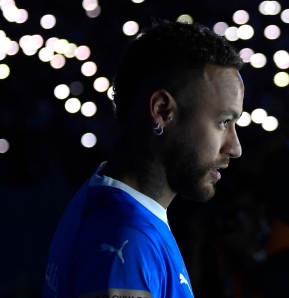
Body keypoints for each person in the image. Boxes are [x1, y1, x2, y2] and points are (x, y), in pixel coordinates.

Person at [42, 20, 244, 298]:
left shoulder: (114, 210)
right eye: (223, 122)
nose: (235, 147)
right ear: (161, 110)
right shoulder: (126, 240)